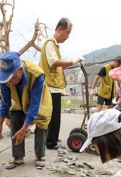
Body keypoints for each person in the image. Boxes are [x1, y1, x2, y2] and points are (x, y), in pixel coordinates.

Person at [0, 51, 52, 170]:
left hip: (39, 100)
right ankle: (18, 156)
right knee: (14, 115)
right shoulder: (5, 77)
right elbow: (5, 103)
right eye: (6, 78)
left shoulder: (36, 75)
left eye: (11, 77)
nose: (8, 81)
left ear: (20, 70)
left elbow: (34, 106)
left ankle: (40, 155)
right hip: (19, 100)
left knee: (41, 119)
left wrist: (24, 129)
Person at [39, 17, 84, 150]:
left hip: (53, 86)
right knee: (54, 116)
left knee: (51, 115)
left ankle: (50, 138)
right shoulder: (50, 43)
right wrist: (72, 62)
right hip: (50, 86)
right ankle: (51, 143)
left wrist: (71, 64)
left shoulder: (54, 45)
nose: (68, 36)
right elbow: (53, 62)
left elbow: (57, 66)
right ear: (60, 29)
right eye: (67, 33)